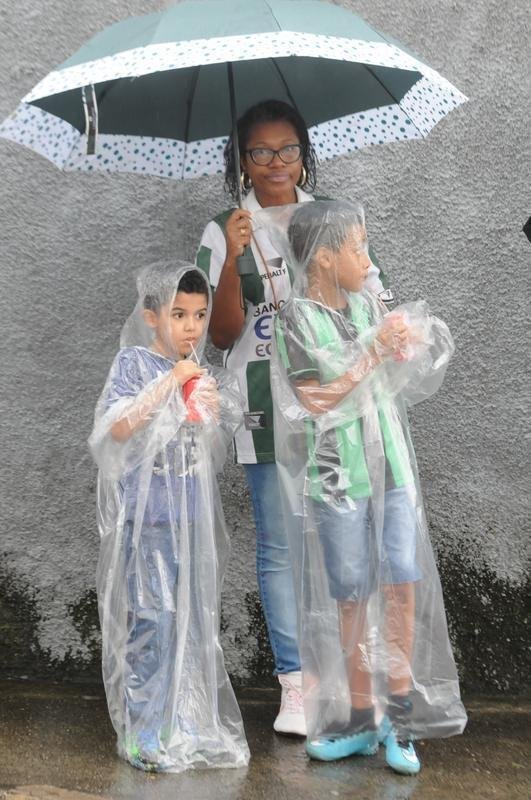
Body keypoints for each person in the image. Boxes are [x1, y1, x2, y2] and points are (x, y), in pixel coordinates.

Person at [196, 100, 392, 735]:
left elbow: (369, 292)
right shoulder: (225, 226)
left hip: (330, 397)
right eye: (259, 152)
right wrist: (230, 257)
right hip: (260, 399)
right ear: (241, 161)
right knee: (280, 544)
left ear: (303, 152)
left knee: (343, 536)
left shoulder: (332, 217)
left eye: (287, 149)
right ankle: (297, 686)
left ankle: (349, 678)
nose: (275, 163)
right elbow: (219, 334)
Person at [262, 200, 467, 775]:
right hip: (337, 477)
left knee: (400, 585)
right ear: (324, 258)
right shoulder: (295, 319)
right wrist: (370, 354)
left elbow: (406, 371)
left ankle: (398, 719)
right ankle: (358, 718)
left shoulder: (368, 303)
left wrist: (405, 342)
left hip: (393, 471)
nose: (366, 257)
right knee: (351, 596)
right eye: (358, 247)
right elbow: (312, 402)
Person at [88, 263, 249, 773]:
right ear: (151, 315)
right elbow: (115, 431)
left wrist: (210, 404)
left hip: (189, 520)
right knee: (151, 620)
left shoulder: (197, 369)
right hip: (149, 520)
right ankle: (142, 729)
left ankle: (181, 719)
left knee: (188, 618)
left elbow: (211, 440)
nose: (192, 327)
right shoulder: (134, 363)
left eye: (200, 316)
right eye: (179, 315)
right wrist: (169, 387)